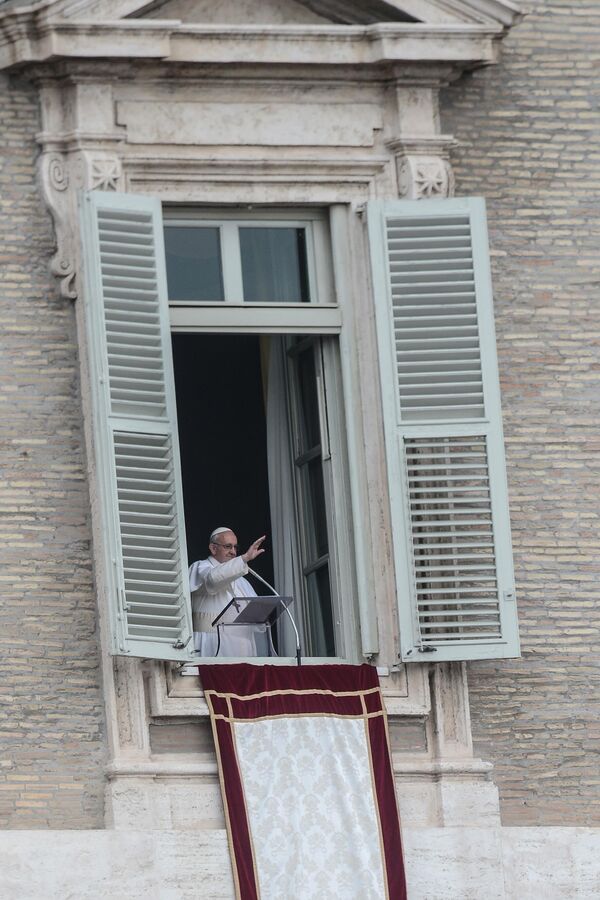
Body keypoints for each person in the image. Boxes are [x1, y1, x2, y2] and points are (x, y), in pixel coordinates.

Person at [189, 527, 266, 657]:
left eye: (235, 547)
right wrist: (244, 558)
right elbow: (212, 580)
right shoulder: (200, 567)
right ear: (213, 548)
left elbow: (258, 619)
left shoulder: (242, 581)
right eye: (228, 546)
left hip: (243, 649)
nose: (233, 552)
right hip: (211, 645)